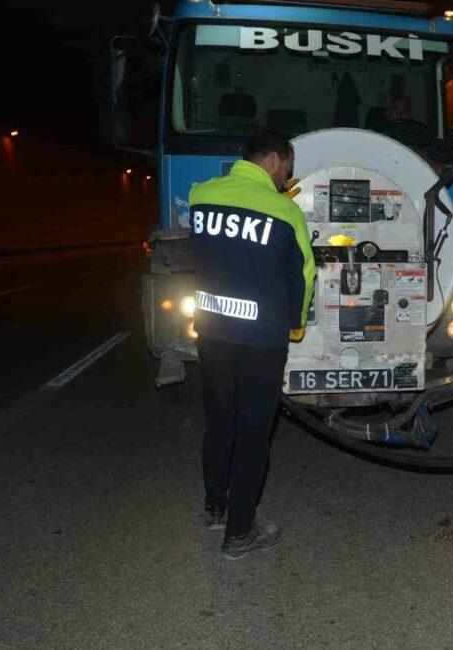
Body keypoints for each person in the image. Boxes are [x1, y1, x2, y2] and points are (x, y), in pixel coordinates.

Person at [187, 128, 315, 560]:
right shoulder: (284, 210)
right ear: (276, 160)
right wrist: (295, 325)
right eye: (288, 170)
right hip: (260, 339)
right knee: (254, 432)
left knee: (219, 420)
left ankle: (215, 507)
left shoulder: (201, 195)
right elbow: (303, 274)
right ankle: (240, 532)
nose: (286, 178)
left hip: (211, 330)